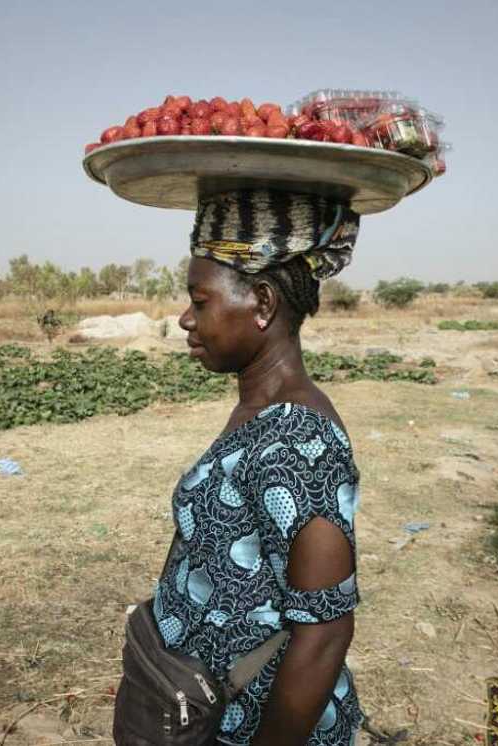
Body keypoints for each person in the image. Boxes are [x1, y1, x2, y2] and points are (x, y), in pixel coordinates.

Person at [151, 189, 364, 746]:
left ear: (263, 303)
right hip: (212, 703)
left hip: (261, 724)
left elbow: (323, 635)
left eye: (200, 302)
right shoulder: (256, 407)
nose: (184, 319)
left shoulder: (300, 441)